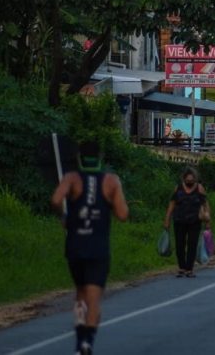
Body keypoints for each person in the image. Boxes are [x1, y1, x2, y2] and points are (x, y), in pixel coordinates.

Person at [51, 141, 129, 355]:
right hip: (98, 247)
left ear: (79, 158)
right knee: (94, 296)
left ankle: (79, 340)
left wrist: (66, 217)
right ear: (101, 158)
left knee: (80, 293)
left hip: (75, 245)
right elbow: (123, 215)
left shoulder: (72, 179)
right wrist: (108, 205)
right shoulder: (111, 181)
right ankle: (87, 342)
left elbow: (56, 199)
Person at [164, 167, 210, 278]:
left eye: (192, 180)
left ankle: (189, 269)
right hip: (179, 220)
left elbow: (205, 204)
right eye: (187, 180)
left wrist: (208, 220)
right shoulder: (178, 188)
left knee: (192, 245)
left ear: (195, 179)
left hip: (195, 221)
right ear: (184, 179)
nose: (189, 182)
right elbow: (172, 205)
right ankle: (181, 268)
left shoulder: (199, 188)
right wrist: (167, 220)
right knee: (179, 244)